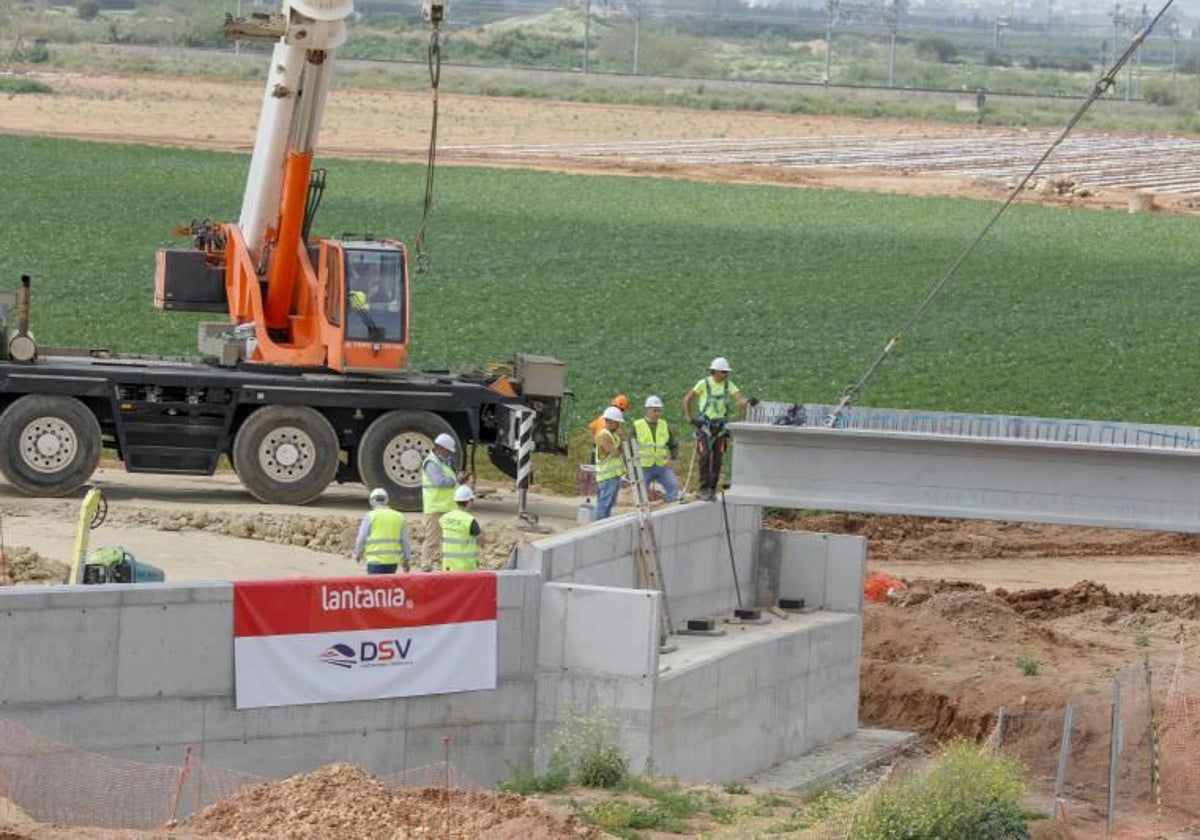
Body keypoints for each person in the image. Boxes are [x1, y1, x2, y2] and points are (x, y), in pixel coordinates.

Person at [683, 357, 757, 501]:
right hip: (705, 426)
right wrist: (690, 418)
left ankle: (711, 489)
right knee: (705, 456)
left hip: (721, 427)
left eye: (726, 372)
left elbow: (739, 399)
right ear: (715, 371)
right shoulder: (703, 384)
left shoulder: (729, 385)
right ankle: (703, 488)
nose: (725, 375)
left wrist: (748, 401)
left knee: (717, 458)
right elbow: (687, 399)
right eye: (723, 372)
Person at [421, 432, 459, 570]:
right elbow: (439, 482)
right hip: (435, 508)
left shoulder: (443, 462)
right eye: (448, 451)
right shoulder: (432, 462)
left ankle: (443, 564)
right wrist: (455, 480)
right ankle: (426, 564)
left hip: (447, 508)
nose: (449, 454)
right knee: (432, 539)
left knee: (447, 540)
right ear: (441, 448)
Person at [351, 487, 410, 574]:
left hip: (375, 561)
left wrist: (357, 553)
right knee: (388, 587)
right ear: (387, 500)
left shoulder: (370, 516)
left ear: (371, 501)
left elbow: (361, 537)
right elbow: (405, 541)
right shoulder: (399, 516)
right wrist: (406, 560)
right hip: (392, 562)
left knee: (376, 587)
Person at [633, 395, 679, 503]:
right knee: (641, 494)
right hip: (644, 467)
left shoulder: (664, 424)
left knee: (673, 487)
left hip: (661, 465)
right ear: (648, 410)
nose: (657, 413)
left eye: (659, 410)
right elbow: (630, 446)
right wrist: (632, 466)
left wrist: (673, 457)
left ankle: (670, 510)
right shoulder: (638, 425)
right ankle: (643, 514)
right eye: (655, 410)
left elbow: (672, 443)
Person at [441, 485, 487, 571]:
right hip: (465, 566)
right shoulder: (470, 520)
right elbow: (482, 542)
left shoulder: (445, 518)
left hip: (447, 566)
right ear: (469, 502)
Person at [593, 406, 625, 520]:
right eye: (617, 423)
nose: (619, 425)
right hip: (606, 476)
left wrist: (621, 439)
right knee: (604, 504)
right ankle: (600, 525)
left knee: (609, 504)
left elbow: (622, 450)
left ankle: (604, 523)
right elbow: (615, 453)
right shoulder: (604, 435)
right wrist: (620, 442)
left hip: (614, 475)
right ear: (610, 422)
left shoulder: (614, 435)